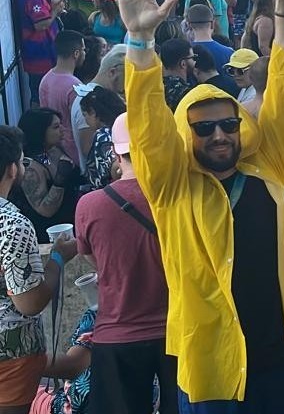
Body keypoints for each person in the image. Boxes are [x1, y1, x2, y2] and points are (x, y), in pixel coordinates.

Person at [117, 0, 284, 410]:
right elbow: (149, 123)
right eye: (204, 127)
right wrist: (139, 42)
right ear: (186, 133)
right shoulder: (172, 187)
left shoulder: (266, 167)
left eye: (228, 124)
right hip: (215, 369)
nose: (219, 135)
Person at [74, 113, 179, 413]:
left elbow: (95, 261)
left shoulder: (90, 205)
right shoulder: (178, 199)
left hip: (117, 333)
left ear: (115, 153)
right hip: (177, 331)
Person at [0, 125, 79, 412]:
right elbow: (30, 302)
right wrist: (58, 258)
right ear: (12, 170)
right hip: (9, 358)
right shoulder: (12, 224)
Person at [14, 107, 77, 239]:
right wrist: (60, 179)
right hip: (49, 233)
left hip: (69, 222)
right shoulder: (30, 168)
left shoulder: (54, 150)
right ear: (40, 131)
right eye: (55, 127)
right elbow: (45, 210)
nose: (61, 129)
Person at [15, 0, 64, 103]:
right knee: (42, 96)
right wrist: (56, 10)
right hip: (40, 56)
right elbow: (41, 24)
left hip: (40, 55)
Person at [38, 30, 86, 159]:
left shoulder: (45, 79)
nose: (85, 53)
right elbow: (81, 124)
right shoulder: (76, 87)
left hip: (53, 151)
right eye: (83, 50)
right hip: (74, 152)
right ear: (76, 53)